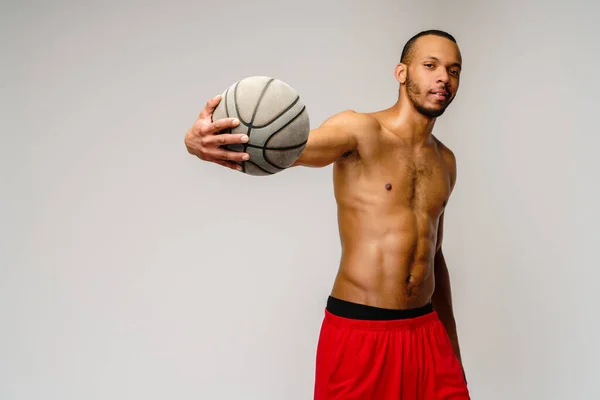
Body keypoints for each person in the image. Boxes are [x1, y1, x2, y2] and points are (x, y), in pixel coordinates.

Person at [185, 29, 470, 399]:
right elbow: (293, 148)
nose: (443, 78)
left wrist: (452, 351)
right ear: (402, 73)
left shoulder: (445, 160)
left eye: (453, 70)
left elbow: (434, 256)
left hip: (426, 334)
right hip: (361, 333)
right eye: (430, 65)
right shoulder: (360, 130)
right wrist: (197, 143)